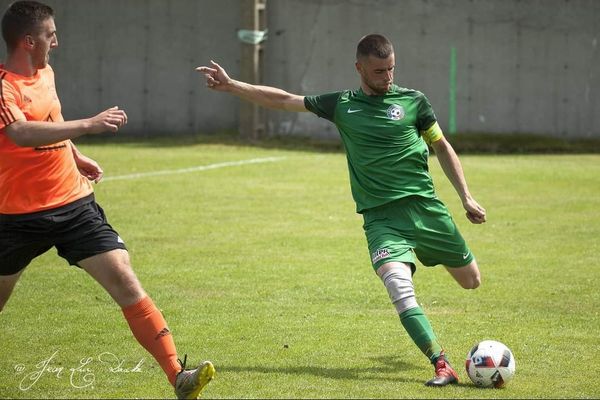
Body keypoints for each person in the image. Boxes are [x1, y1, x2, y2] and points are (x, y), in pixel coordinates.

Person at [197, 33, 486, 386]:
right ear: (359, 68)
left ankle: (426, 253)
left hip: (426, 210)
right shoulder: (342, 105)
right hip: (380, 219)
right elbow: (286, 99)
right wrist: (233, 86)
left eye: (391, 69)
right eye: (379, 71)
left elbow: (441, 146)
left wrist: (465, 196)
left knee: (471, 281)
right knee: (398, 286)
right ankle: (441, 363)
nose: (387, 77)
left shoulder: (414, 102)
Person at [0, 2, 214, 398]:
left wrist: (76, 157)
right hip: (18, 216)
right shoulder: (3, 85)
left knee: (126, 281)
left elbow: (49, 124)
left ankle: (178, 377)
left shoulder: (45, 72)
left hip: (74, 205)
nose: (57, 42)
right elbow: (21, 134)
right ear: (29, 41)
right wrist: (90, 125)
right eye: (51, 34)